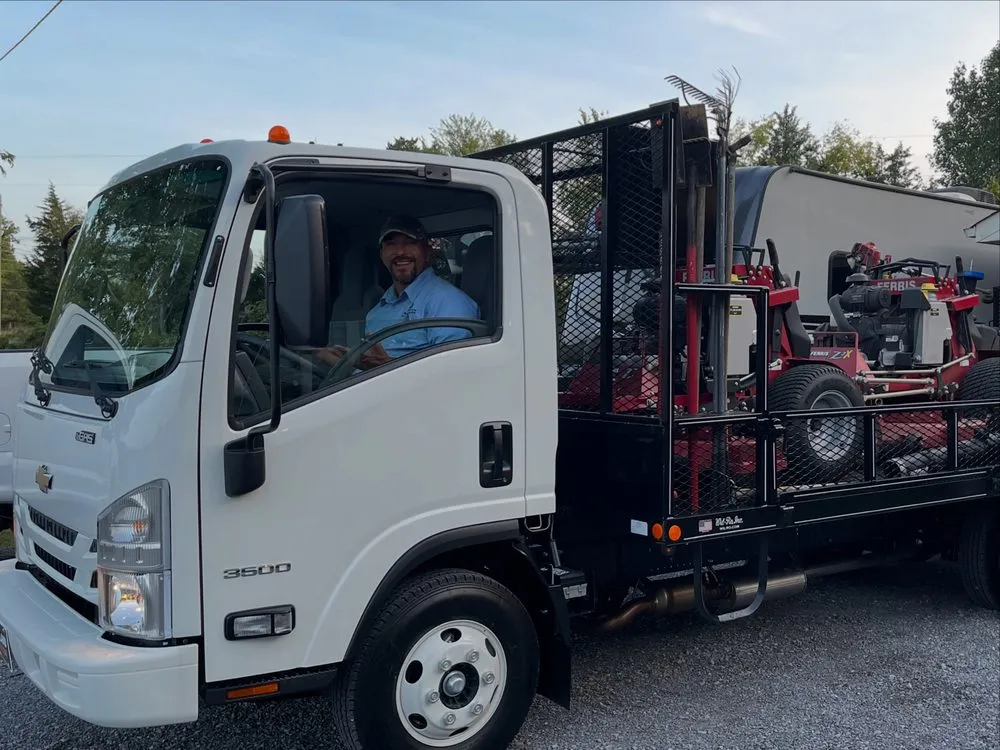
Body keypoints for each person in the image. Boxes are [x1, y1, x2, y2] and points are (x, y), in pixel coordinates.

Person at [317, 214, 480, 371]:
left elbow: (454, 375)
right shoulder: (377, 312)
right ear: (381, 254)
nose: (400, 252)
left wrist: (386, 366)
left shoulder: (447, 302)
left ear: (427, 251)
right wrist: (345, 364)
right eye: (391, 244)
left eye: (410, 242)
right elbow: (370, 372)